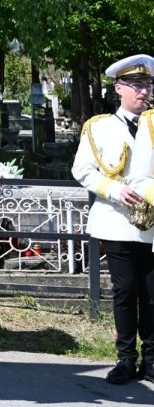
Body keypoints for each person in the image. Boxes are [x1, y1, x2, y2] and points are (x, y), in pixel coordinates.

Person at [72, 54, 154, 385]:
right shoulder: (99, 127)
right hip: (116, 220)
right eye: (137, 85)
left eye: (148, 85)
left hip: (151, 223)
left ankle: (151, 360)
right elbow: (82, 170)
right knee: (125, 291)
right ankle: (125, 359)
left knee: (151, 293)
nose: (144, 92)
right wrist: (113, 190)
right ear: (119, 88)